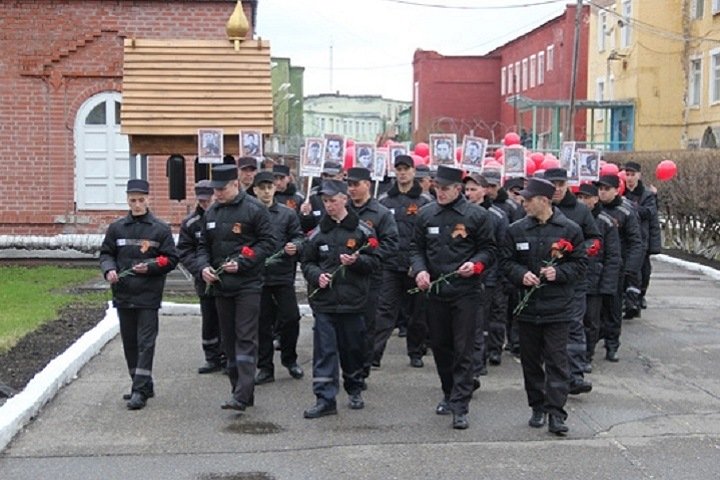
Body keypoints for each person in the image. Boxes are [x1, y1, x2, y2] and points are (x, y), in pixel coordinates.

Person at [410, 165, 496, 430]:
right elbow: (416, 248)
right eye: (437, 188)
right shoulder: (426, 215)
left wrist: (476, 265)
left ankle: (460, 404)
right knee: (441, 347)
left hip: (465, 293)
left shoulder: (477, 216)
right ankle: (448, 393)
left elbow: (489, 250)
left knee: (464, 349)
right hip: (435, 292)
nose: (440, 192)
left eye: (445, 188)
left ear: (458, 189)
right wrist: (420, 270)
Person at [501, 177, 587, 436]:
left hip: (557, 309)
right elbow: (506, 262)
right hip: (527, 309)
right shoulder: (516, 230)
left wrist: (558, 274)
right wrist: (520, 275)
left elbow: (581, 265)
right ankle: (537, 406)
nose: (523, 203)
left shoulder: (570, 230)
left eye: (528, 199)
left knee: (557, 362)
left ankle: (556, 413)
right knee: (530, 362)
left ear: (544, 201)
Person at [197, 164, 277, 412]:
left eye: (221, 189)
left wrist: (244, 262)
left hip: (248, 285)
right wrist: (203, 267)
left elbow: (269, 243)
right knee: (229, 340)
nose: (217, 194)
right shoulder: (212, 213)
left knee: (245, 337)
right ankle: (240, 391)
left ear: (235, 185)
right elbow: (202, 247)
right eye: (215, 190)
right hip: (221, 286)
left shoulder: (254, 209)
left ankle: (242, 394)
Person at [301, 179, 381, 418]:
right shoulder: (317, 233)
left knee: (352, 349)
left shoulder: (362, 231)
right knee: (324, 351)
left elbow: (375, 263)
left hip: (353, 302)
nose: (329, 206)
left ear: (344, 199)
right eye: (325, 201)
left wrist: (357, 262)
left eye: (333, 201)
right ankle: (324, 398)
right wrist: (317, 277)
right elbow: (307, 263)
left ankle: (354, 388)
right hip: (325, 303)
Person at [99, 179, 178, 410]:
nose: (137, 204)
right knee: (130, 343)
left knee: (146, 342)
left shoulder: (160, 229)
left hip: (148, 295)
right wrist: (109, 270)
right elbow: (106, 254)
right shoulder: (116, 228)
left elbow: (171, 258)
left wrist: (152, 267)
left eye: (141, 200)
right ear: (127, 200)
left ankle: (140, 390)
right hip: (124, 294)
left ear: (148, 199)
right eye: (132, 200)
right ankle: (140, 381)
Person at [373, 155, 433, 369]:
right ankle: (374, 354)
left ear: (414, 172)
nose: (402, 173)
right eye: (398, 169)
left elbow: (428, 238)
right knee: (384, 311)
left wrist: (420, 266)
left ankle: (415, 352)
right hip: (390, 265)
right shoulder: (383, 201)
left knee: (418, 313)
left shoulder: (425, 203)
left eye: (406, 169)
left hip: (415, 268)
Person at [545, 168, 600, 395]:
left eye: (561, 183)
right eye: (552, 184)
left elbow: (593, 238)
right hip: (545, 280)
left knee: (575, 326)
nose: (557, 188)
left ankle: (575, 375)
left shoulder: (580, 210)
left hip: (574, 279)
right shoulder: (536, 209)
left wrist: (582, 249)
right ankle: (552, 374)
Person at [346, 167, 400, 383]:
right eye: (349, 185)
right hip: (345, 277)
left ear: (367, 185)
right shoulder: (343, 210)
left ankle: (363, 369)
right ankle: (348, 367)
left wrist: (368, 256)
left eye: (355, 185)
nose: (351, 189)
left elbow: (391, 244)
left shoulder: (381, 213)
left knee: (368, 326)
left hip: (370, 278)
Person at [252, 171, 305, 385]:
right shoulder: (248, 213)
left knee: (291, 317)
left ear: (275, 188)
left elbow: (299, 236)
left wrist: (296, 246)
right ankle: (265, 367)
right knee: (262, 323)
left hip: (282, 274)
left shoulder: (287, 214)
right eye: (262, 187)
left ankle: (290, 359)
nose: (266, 191)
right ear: (254, 189)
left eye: (270, 187)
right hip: (257, 276)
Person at [462, 173, 508, 384]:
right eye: (467, 190)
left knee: (486, 319)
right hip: (466, 276)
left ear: (485, 190)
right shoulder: (461, 214)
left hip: (490, 276)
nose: (469, 193)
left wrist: (495, 274)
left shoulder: (497, 216)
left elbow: (501, 248)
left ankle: (483, 359)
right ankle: (473, 363)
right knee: (472, 321)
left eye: (473, 189)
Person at [177, 180, 225, 374]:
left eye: (208, 200)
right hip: (203, 279)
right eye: (202, 201)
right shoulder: (190, 223)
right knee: (209, 318)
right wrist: (200, 270)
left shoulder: (225, 217)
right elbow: (184, 251)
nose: (206, 204)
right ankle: (211, 357)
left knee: (226, 318)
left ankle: (228, 356)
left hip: (225, 276)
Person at [596, 174, 643, 362]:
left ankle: (612, 344)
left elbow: (635, 242)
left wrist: (630, 268)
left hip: (617, 267)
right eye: (600, 189)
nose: (602, 192)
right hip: (597, 266)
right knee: (594, 309)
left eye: (607, 189)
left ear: (617, 190)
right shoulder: (593, 211)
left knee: (613, 308)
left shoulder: (625, 212)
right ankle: (595, 337)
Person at [576, 182, 621, 371]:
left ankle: (587, 355)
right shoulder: (572, 218)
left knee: (591, 321)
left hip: (595, 279)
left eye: (587, 197)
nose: (583, 201)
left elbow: (613, 256)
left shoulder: (606, 222)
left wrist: (608, 284)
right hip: (574, 277)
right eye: (580, 197)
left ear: (595, 199)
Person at [623, 161, 661, 312]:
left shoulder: (646, 194)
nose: (630, 178)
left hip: (641, 238)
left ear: (639, 175)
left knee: (643, 271)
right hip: (625, 238)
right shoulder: (621, 192)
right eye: (627, 174)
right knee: (629, 271)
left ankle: (639, 296)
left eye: (633, 174)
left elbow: (649, 212)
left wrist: (630, 207)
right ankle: (630, 301)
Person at [299, 162, 344, 233]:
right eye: (325, 175)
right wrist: (306, 215)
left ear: (341, 176)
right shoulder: (313, 195)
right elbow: (305, 227)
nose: (328, 178)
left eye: (332, 176)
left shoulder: (348, 193)